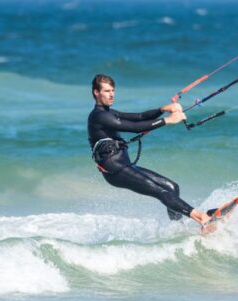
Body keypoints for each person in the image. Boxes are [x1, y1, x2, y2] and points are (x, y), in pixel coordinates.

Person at [87, 74, 215, 232]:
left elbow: (139, 117)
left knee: (172, 187)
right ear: (96, 92)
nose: (111, 94)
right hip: (115, 170)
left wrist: (163, 109)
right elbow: (133, 127)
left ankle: (179, 228)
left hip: (124, 166)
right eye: (107, 91)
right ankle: (202, 218)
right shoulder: (98, 116)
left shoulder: (109, 112)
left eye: (113, 90)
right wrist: (167, 120)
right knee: (160, 191)